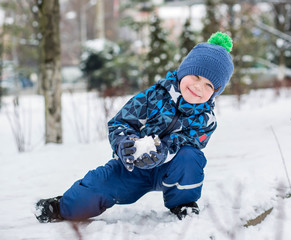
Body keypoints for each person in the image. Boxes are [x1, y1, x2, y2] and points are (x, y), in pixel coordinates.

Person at [35, 32, 234, 222]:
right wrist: (125, 144)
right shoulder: (153, 97)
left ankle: (183, 203)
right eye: (196, 77)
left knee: (192, 157)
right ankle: (63, 207)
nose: (199, 87)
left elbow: (187, 143)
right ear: (184, 70)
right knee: (97, 185)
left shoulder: (207, 120)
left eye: (209, 85)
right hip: (132, 166)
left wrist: (162, 151)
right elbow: (120, 122)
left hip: (169, 169)